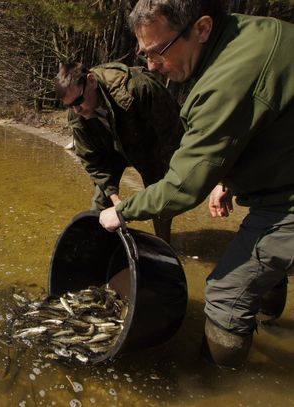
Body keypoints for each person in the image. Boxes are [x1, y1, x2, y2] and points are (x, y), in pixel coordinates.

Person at [99, 0, 294, 368]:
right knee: (263, 264)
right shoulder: (254, 32)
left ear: (201, 29)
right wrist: (228, 181)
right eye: (144, 54)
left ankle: (219, 381)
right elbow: (267, 124)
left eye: (159, 52)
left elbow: (184, 185)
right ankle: (272, 325)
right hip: (281, 179)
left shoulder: (226, 81)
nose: (153, 66)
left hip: (287, 200)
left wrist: (121, 212)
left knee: (225, 293)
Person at [55, 61, 183, 242]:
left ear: (91, 81)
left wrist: (174, 174)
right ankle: (97, 247)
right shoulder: (77, 114)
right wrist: (116, 201)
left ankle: (164, 246)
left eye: (78, 101)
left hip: (148, 149)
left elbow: (173, 130)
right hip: (110, 152)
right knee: (100, 204)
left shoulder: (138, 87)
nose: (76, 110)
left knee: (160, 205)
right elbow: (92, 160)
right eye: (69, 106)